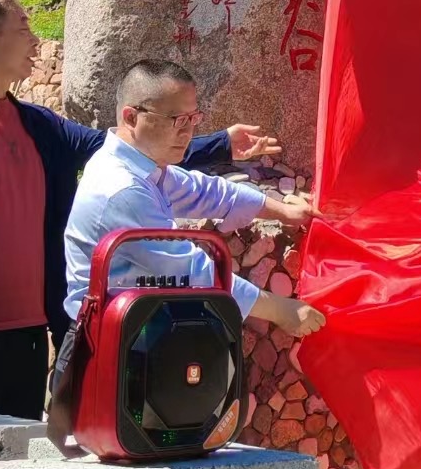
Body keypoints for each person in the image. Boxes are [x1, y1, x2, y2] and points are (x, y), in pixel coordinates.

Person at [0, 0, 283, 419]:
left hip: (29, 341)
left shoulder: (38, 125)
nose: (36, 40)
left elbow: (123, 148)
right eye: (23, 29)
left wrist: (220, 144)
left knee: (15, 454)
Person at [52, 59, 324, 419]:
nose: (188, 132)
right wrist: (281, 310)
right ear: (131, 117)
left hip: (136, 342)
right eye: (176, 120)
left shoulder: (143, 166)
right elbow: (194, 271)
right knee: (111, 450)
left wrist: (281, 210)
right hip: (105, 354)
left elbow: (205, 191)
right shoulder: (121, 188)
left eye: (193, 119)